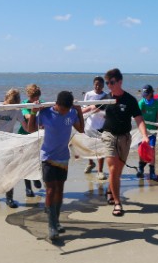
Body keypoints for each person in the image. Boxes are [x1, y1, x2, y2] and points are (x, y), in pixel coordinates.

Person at [27, 91, 85, 240]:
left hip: (63, 157)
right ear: (57, 105)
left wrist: (79, 111)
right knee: (50, 190)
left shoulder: (71, 113)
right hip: (48, 157)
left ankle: (56, 220)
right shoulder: (46, 113)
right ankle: (51, 226)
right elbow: (30, 129)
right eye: (63, 109)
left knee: (60, 190)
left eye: (68, 109)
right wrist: (33, 112)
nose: (65, 112)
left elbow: (81, 129)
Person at [100, 68, 149, 216]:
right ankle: (117, 202)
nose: (109, 85)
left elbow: (139, 120)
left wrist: (145, 136)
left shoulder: (130, 100)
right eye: (107, 83)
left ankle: (110, 190)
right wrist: (73, 109)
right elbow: (90, 107)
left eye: (112, 82)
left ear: (120, 81)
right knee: (113, 169)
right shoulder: (106, 98)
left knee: (117, 172)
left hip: (125, 138)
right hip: (108, 136)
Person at [18, 83, 43, 197]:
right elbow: (27, 117)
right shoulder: (24, 104)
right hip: (24, 135)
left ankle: (35, 178)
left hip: (36, 135)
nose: (36, 99)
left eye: (37, 97)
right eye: (33, 97)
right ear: (29, 96)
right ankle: (28, 188)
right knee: (25, 161)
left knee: (37, 159)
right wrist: (34, 109)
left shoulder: (41, 103)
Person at [81, 76, 108, 180]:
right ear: (93, 84)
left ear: (103, 85)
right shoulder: (88, 94)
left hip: (101, 126)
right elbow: (84, 108)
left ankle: (100, 171)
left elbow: (108, 112)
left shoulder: (106, 96)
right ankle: (91, 163)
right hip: (89, 125)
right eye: (96, 84)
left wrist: (100, 111)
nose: (98, 86)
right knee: (89, 147)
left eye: (100, 85)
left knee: (100, 149)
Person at [137, 84, 158, 180]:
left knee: (152, 149)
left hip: (152, 131)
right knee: (142, 151)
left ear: (151, 93)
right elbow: (138, 117)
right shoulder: (141, 103)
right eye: (144, 93)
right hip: (142, 131)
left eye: (146, 93)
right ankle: (141, 167)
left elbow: (157, 116)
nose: (145, 95)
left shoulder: (156, 103)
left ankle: (152, 171)